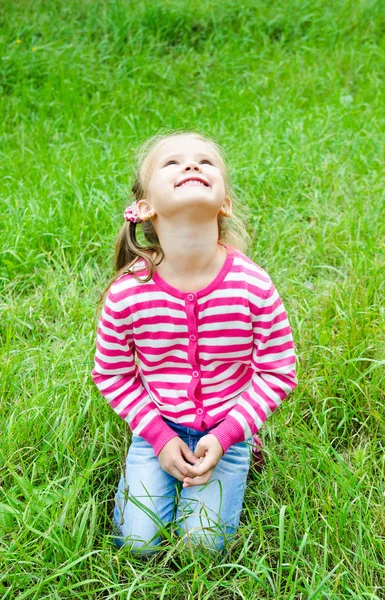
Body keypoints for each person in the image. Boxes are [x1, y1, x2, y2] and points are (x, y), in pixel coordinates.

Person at [91, 129, 298, 555]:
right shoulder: (129, 292)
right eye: (172, 163)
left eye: (206, 162)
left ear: (225, 202)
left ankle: (245, 451)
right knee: (137, 544)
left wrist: (228, 435)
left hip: (228, 432)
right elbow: (112, 374)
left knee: (201, 547)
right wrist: (158, 436)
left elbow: (278, 369)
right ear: (144, 208)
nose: (191, 166)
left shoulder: (252, 286)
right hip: (157, 429)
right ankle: (149, 469)